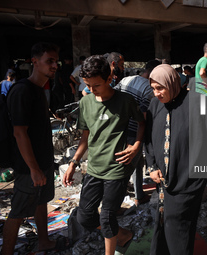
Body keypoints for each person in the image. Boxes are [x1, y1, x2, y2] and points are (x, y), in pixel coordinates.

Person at [62, 55, 145, 255]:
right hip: (94, 168)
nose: (91, 90)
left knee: (107, 217)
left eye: (96, 85)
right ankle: (123, 235)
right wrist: (73, 163)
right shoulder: (86, 103)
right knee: (85, 216)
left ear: (109, 79)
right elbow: (85, 137)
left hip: (117, 168)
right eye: (88, 85)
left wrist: (136, 146)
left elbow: (142, 122)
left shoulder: (125, 101)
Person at [145, 64, 207, 255]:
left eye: (160, 88)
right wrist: (151, 166)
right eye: (153, 89)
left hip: (188, 178)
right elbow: (148, 139)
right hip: (164, 179)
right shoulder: (155, 105)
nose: (156, 93)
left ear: (172, 83)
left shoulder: (198, 101)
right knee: (163, 219)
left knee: (178, 223)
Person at [3, 42, 62, 254]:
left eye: (56, 61)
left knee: (41, 201)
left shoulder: (40, 89)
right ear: (34, 62)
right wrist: (34, 169)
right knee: (18, 212)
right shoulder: (22, 90)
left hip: (43, 161)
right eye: (49, 61)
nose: (54, 65)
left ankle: (43, 241)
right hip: (29, 166)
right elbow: (20, 133)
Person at [115, 59, 161, 206]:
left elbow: (114, 97)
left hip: (119, 128)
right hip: (135, 132)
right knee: (128, 165)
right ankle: (115, 204)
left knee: (137, 163)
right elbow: (143, 115)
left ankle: (139, 194)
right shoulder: (149, 89)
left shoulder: (126, 79)